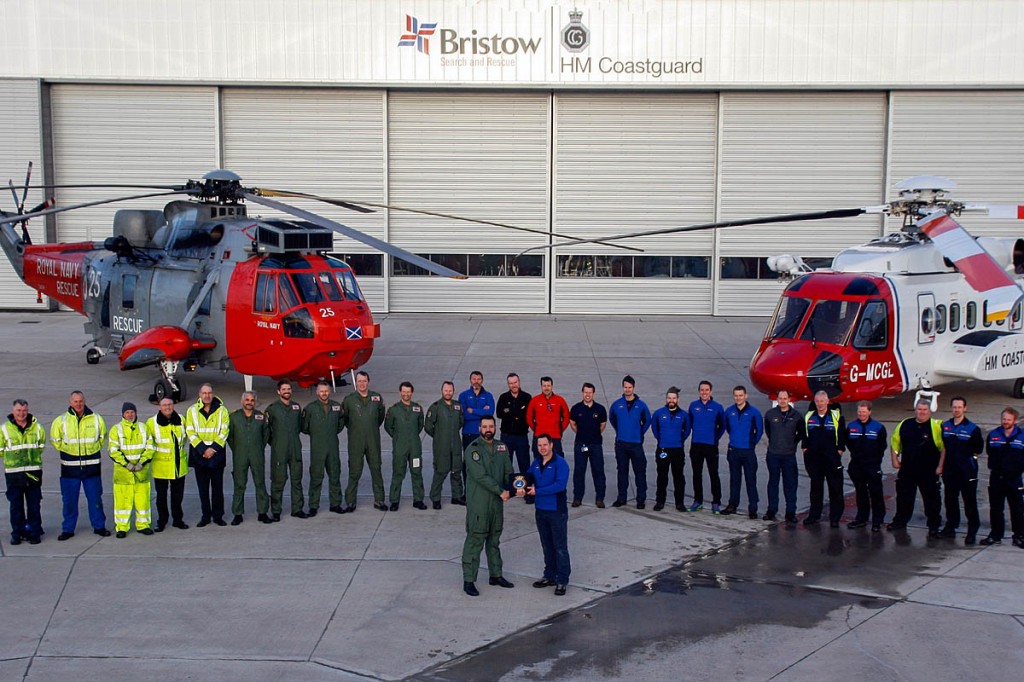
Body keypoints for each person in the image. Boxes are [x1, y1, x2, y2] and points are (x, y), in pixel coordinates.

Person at [461, 415, 514, 596]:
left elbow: (508, 471)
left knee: (494, 540)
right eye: (485, 427)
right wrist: (501, 491)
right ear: (479, 429)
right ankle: (469, 580)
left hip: (496, 505)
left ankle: (496, 574)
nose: (488, 429)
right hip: (479, 504)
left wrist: (516, 487)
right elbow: (480, 476)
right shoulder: (473, 449)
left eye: (491, 426)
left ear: (495, 427)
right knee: (475, 541)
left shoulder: (501, 447)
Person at [51, 390, 110, 540]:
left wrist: (92, 450)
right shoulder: (61, 421)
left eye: (81, 401)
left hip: (91, 468)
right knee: (69, 501)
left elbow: (102, 438)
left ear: (85, 401)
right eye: (75, 401)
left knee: (95, 499)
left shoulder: (96, 419)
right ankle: (68, 529)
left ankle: (99, 526)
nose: (78, 404)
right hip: (70, 469)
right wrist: (69, 451)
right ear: (70, 402)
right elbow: (55, 440)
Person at [522, 434, 571, 595]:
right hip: (541, 510)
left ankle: (562, 580)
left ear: (551, 445)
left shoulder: (560, 463)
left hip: (556, 511)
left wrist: (538, 491)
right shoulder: (536, 462)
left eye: (545, 445)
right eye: (539, 445)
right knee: (546, 545)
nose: (542, 448)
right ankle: (549, 575)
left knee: (560, 547)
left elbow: (559, 485)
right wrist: (518, 485)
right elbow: (527, 477)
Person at [888, 399, 945, 536]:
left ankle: (933, 525)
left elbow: (944, 448)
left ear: (929, 411)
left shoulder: (937, 426)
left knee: (932, 500)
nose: (922, 412)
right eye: (919, 409)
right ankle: (900, 521)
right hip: (908, 470)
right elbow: (895, 442)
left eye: (925, 410)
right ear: (915, 410)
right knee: (903, 498)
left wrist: (940, 466)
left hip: (929, 471)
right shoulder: (905, 424)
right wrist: (895, 459)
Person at [0, 399, 46, 545]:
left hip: (33, 473)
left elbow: (41, 446)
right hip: (14, 474)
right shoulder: (4, 429)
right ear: (13, 412)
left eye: (24, 410)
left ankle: (34, 532)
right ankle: (17, 533)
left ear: (28, 410)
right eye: (19, 410)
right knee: (16, 506)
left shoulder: (37, 428)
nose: (22, 413)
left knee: (34, 505)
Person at [185, 383, 231, 527]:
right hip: (199, 455)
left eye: (209, 393)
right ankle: (205, 516)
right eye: (204, 393)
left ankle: (218, 516)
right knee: (203, 489)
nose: (207, 396)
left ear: (213, 394)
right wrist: (203, 449)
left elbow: (224, 431)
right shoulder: (191, 411)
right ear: (199, 394)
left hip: (216, 454)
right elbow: (190, 431)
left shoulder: (222, 411)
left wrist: (213, 449)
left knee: (217, 488)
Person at [939, 396, 983, 542]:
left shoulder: (973, 429)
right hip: (950, 470)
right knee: (950, 499)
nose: (956, 410)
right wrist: (941, 466)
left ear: (965, 408)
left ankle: (972, 530)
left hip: (967, 470)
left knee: (969, 501)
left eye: (959, 407)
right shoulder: (945, 426)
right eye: (954, 407)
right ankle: (951, 526)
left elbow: (978, 449)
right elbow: (944, 447)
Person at [342, 370, 387, 513]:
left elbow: (380, 417)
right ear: (356, 383)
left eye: (364, 381)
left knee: (376, 469)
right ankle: (350, 502)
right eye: (359, 381)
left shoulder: (376, 398)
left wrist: (369, 427)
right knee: (354, 472)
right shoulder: (349, 400)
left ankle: (379, 500)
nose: (362, 384)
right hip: (356, 441)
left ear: (368, 382)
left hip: (373, 441)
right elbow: (346, 420)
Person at [108, 402, 154, 538]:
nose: (130, 415)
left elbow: (150, 448)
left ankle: (143, 525)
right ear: (123, 414)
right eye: (127, 412)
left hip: (141, 473)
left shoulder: (144, 428)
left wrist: (141, 462)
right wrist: (126, 464)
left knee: (143, 502)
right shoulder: (116, 429)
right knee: (122, 503)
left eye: (132, 412)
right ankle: (121, 528)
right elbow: (113, 451)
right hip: (123, 475)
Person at [802, 391, 846, 528]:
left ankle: (835, 517)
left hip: (831, 458)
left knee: (835, 488)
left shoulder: (836, 416)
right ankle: (814, 515)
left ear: (827, 402)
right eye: (817, 401)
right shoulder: (809, 416)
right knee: (815, 488)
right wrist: (805, 449)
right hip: (815, 459)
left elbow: (842, 435)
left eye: (822, 401)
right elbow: (805, 435)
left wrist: (839, 450)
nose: (820, 404)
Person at [981, 407, 1024, 548]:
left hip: (1014, 478)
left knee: (1017, 508)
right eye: (1004, 419)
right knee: (996, 508)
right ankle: (995, 535)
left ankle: (1018, 535)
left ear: (1015, 421)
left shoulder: (1022, 436)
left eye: (1009, 419)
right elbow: (989, 451)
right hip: (997, 478)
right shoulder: (994, 435)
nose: (1006, 422)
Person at [227, 391, 271, 525]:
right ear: (242, 401)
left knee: (260, 483)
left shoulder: (261, 417)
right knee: (239, 484)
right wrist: (238, 449)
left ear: (255, 402)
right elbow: (230, 436)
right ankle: (237, 514)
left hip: (257, 454)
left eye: (252, 400)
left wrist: (257, 447)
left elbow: (266, 435)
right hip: (240, 454)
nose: (249, 402)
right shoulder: (234, 417)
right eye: (247, 400)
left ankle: (262, 513)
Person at [301, 382, 344, 516]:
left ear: (329, 392)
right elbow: (304, 427)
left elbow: (340, 424)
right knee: (316, 477)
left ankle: (335, 504)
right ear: (317, 392)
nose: (324, 393)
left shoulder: (336, 407)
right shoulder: (310, 408)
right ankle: (313, 506)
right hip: (318, 448)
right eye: (321, 391)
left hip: (332, 446)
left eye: (326, 391)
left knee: (335, 475)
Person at [609, 375, 652, 509]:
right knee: (622, 471)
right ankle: (622, 498)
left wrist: (639, 433)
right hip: (621, 444)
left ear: (633, 388)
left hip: (636, 444)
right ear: (623, 387)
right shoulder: (617, 405)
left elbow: (647, 421)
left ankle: (641, 499)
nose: (627, 390)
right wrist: (620, 431)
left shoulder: (641, 405)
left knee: (640, 472)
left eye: (630, 387)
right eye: (625, 387)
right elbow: (612, 419)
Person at [845, 400, 888, 532]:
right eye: (859, 412)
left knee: (876, 493)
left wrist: (874, 459)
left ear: (869, 412)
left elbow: (882, 446)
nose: (861, 414)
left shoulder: (878, 427)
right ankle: (861, 519)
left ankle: (877, 520)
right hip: (857, 466)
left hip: (872, 466)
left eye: (864, 412)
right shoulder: (851, 426)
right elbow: (848, 443)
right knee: (860, 493)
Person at [148, 398, 190, 532]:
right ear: (160, 407)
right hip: (161, 467)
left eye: (170, 404)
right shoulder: (152, 422)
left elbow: (186, 439)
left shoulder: (181, 420)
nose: (167, 407)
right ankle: (162, 521)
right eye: (164, 405)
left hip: (178, 466)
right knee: (161, 497)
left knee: (178, 496)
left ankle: (178, 520)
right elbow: (149, 443)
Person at [266, 380, 306, 521]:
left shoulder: (296, 407)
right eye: (284, 389)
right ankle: (276, 511)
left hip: (295, 449)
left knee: (297, 480)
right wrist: (275, 444)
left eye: (288, 389)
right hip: (279, 450)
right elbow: (266, 430)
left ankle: (298, 509)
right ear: (279, 392)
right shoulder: (272, 409)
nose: (287, 391)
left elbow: (300, 426)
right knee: (278, 481)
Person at [722, 385, 763, 519]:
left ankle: (753, 507)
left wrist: (751, 443)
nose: (738, 398)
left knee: (751, 479)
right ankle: (732, 504)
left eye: (740, 395)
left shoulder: (754, 412)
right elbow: (727, 428)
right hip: (734, 450)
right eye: (736, 395)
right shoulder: (729, 411)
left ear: (746, 396)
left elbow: (759, 431)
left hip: (748, 452)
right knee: (735, 479)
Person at [385, 381, 427, 511]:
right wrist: (398, 437)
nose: (406, 394)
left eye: (408, 392)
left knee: (417, 473)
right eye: (404, 392)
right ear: (400, 392)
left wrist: (411, 436)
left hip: (414, 447)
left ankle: (418, 500)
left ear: (412, 393)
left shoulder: (418, 409)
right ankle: (394, 501)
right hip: (400, 448)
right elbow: (388, 427)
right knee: (398, 473)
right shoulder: (393, 409)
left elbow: (420, 425)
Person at [425, 381, 465, 509]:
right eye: (446, 390)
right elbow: (428, 426)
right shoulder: (435, 407)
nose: (448, 393)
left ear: (453, 391)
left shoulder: (458, 406)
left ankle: (457, 496)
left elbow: (460, 422)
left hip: (456, 444)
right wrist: (439, 437)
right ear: (442, 391)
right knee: (440, 472)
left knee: (456, 471)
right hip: (441, 446)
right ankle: (435, 498)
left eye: (450, 390)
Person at [763, 389, 802, 523]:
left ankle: (790, 512)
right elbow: (768, 431)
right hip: (773, 454)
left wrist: (792, 444)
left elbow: (801, 433)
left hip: (788, 456)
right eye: (780, 398)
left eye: (785, 398)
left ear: (789, 399)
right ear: (777, 399)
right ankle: (771, 510)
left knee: (790, 484)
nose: (782, 401)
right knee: (773, 483)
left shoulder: (796, 415)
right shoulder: (770, 414)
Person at [651, 387, 691, 512]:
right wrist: (662, 440)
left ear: (678, 399)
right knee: (662, 476)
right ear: (666, 399)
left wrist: (678, 441)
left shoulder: (684, 415)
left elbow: (687, 430)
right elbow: (654, 429)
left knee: (678, 477)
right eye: (669, 398)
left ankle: (679, 503)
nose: (671, 400)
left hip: (677, 450)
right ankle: (660, 501)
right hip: (663, 449)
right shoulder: (659, 413)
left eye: (674, 398)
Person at [687, 380, 725, 513]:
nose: (704, 392)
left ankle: (716, 502)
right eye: (702, 390)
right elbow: (689, 423)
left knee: (713, 474)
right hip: (696, 445)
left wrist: (715, 438)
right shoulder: (693, 406)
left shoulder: (717, 407)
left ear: (711, 392)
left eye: (707, 390)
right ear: (699, 391)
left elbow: (722, 426)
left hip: (711, 446)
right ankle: (698, 501)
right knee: (697, 474)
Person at [569, 382, 607, 508]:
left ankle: (600, 498)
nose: (587, 395)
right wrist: (581, 433)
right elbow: (572, 423)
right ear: (582, 393)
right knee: (579, 472)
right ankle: (578, 498)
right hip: (580, 444)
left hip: (595, 445)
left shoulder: (600, 409)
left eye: (590, 393)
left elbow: (602, 425)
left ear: (593, 393)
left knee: (598, 472)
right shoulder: (576, 408)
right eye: (585, 392)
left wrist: (594, 434)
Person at [496, 373, 532, 475]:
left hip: (521, 436)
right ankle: (506, 490)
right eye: (511, 383)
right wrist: (517, 413)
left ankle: (525, 489)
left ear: (519, 382)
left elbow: (528, 414)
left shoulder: (526, 397)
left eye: (515, 382)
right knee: (505, 466)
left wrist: (509, 412)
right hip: (506, 436)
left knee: (524, 465)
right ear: (508, 384)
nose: (513, 385)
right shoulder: (503, 397)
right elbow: (499, 413)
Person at [526, 376, 571, 457]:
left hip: (555, 438)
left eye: (548, 386)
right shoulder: (535, 400)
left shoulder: (560, 400)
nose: (546, 388)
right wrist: (536, 429)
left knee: (557, 463)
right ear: (541, 387)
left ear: (552, 386)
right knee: (539, 463)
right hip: (539, 437)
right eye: (544, 386)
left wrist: (559, 430)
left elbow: (566, 417)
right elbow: (529, 417)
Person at [459, 371, 495, 450]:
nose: (476, 381)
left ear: (482, 380)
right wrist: (482, 412)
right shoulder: (463, 395)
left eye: (479, 379)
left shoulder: (488, 395)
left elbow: (490, 413)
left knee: (486, 459)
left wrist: (472, 410)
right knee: (468, 459)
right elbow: (464, 415)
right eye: (474, 379)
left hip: (484, 433)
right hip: (468, 432)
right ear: (470, 380)